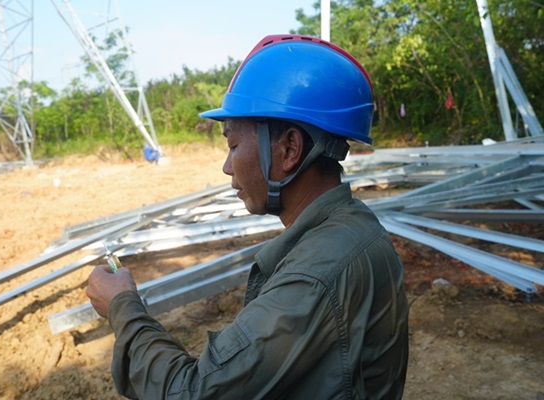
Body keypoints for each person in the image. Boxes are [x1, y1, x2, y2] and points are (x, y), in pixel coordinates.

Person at [87, 34, 409, 399]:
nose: (227, 166)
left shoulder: (315, 276)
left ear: (289, 149)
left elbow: (192, 393)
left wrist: (122, 306)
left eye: (233, 145)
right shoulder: (354, 227)